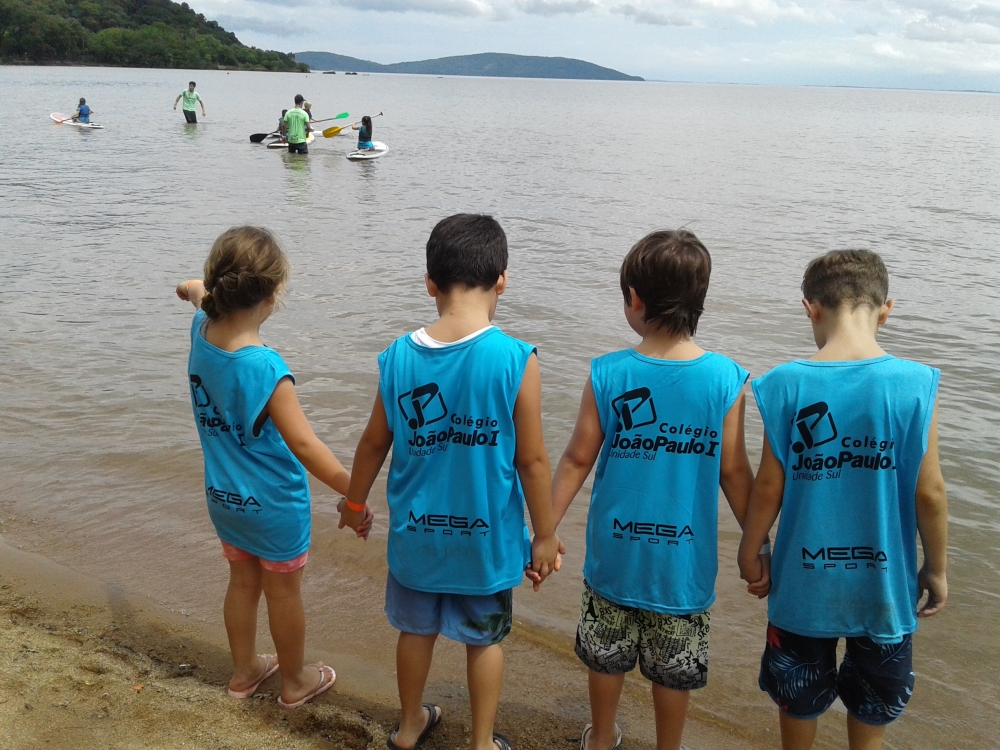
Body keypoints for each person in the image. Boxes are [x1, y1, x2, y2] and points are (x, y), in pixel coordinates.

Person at [339, 214, 562, 750]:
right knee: (483, 641)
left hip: (417, 536)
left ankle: (409, 726)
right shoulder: (515, 359)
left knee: (415, 632)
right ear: (501, 281)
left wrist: (354, 503)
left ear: (430, 283)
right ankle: (481, 743)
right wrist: (545, 534)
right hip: (484, 542)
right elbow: (532, 461)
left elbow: (372, 443)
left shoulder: (397, 357)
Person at [550, 229, 759, 750]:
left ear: (634, 299)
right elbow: (735, 473)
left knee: (606, 658)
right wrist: (760, 544)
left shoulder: (609, 372)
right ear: (700, 300)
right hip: (682, 568)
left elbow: (577, 459)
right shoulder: (726, 379)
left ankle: (601, 738)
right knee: (674, 669)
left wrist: (543, 530)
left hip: (615, 558)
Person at [737, 249, 948, 750]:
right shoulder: (916, 384)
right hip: (883, 588)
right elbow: (930, 492)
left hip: (803, 587)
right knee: (872, 703)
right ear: (886, 310)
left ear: (810, 309)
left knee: (798, 698)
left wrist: (752, 548)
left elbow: (768, 486)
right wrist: (936, 567)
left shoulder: (785, 383)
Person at [175, 226, 371, 709]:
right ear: (275, 291)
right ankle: (295, 682)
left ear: (218, 282)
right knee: (283, 593)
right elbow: (305, 445)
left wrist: (193, 289)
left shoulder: (201, 330)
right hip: (273, 504)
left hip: (223, 498)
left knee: (242, 583)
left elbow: (191, 289)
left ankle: (244, 672)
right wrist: (356, 491)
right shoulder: (265, 368)